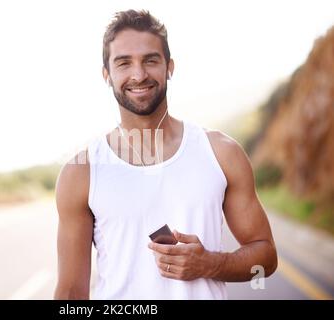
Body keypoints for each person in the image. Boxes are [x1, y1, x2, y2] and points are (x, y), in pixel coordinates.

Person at [54, 9, 277, 300]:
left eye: (150, 60)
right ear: (106, 75)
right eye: (124, 63)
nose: (139, 74)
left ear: (169, 67)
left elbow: (266, 256)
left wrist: (211, 263)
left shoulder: (221, 152)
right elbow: (71, 293)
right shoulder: (81, 172)